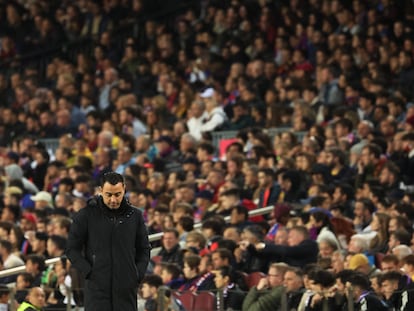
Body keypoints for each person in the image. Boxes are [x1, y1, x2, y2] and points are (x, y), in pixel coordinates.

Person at [66, 172, 151, 311]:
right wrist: (89, 272)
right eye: (108, 195)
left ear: (124, 189)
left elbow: (144, 249)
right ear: (101, 191)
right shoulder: (86, 215)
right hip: (96, 291)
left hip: (126, 290)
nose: (113, 200)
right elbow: (71, 249)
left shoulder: (135, 216)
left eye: (117, 194)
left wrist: (137, 274)